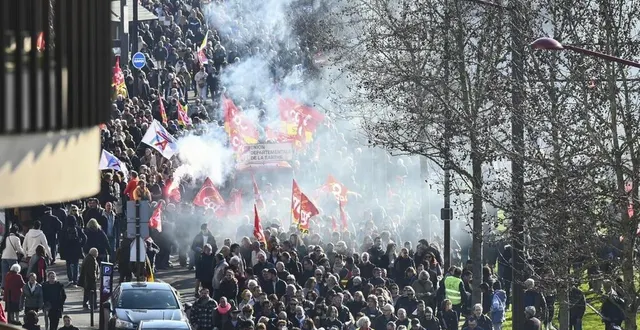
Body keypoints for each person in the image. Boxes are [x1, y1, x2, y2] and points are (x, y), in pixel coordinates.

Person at [58, 215, 86, 287]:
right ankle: (75, 280)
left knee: (68, 264)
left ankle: (70, 279)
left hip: (67, 249)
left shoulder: (64, 229)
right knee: (76, 265)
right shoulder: (78, 229)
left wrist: (61, 250)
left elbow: (60, 241)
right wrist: (81, 245)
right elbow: (84, 237)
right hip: (76, 248)